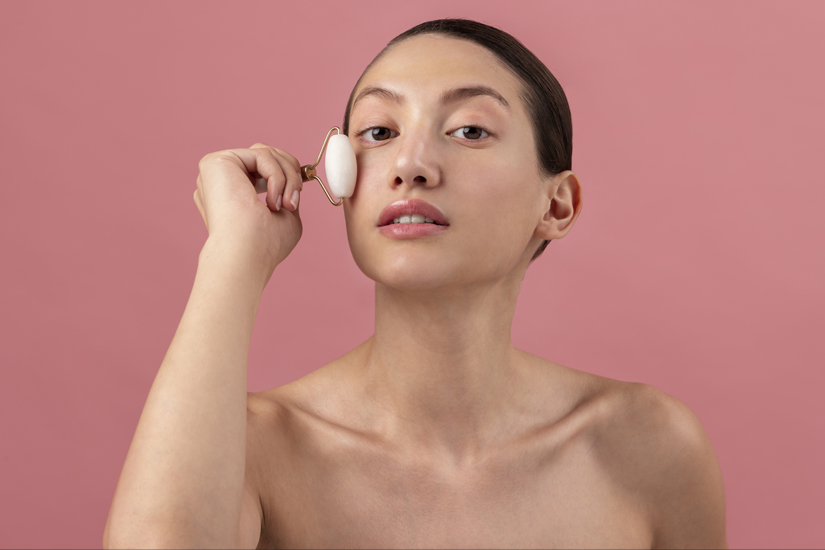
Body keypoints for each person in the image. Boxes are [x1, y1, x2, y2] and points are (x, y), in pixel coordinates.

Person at [103, 18, 727, 549]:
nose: (409, 166)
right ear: (342, 181)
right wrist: (232, 258)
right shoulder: (249, 450)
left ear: (557, 205)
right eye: (379, 132)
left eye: (470, 130)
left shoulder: (647, 446)